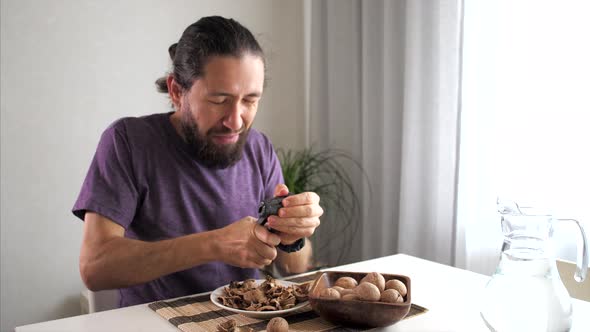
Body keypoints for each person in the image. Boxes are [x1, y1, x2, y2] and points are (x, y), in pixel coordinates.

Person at [72, 16, 323, 307]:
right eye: (219, 101)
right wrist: (214, 244)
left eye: (250, 101)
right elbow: (95, 267)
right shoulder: (128, 142)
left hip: (244, 321)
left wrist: (293, 233)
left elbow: (293, 267)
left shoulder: (260, 149)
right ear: (178, 92)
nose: (236, 121)